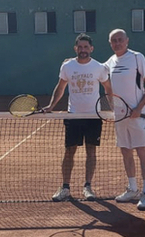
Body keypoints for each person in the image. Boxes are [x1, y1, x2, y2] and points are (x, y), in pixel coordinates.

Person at [43, 33, 113, 201]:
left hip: (93, 117)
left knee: (91, 151)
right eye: (80, 47)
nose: (83, 50)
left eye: (86, 47)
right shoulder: (67, 66)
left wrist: (112, 110)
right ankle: (65, 187)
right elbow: (60, 88)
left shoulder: (99, 67)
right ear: (76, 48)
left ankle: (88, 187)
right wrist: (51, 106)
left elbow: (108, 90)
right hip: (73, 115)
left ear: (91, 49)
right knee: (69, 152)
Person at [104, 29, 145, 210]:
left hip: (136, 115)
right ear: (110, 43)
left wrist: (138, 108)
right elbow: (98, 75)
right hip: (120, 116)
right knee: (125, 151)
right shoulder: (109, 62)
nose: (117, 43)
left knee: (141, 152)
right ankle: (132, 188)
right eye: (113, 41)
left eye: (120, 39)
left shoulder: (137, 57)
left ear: (127, 40)